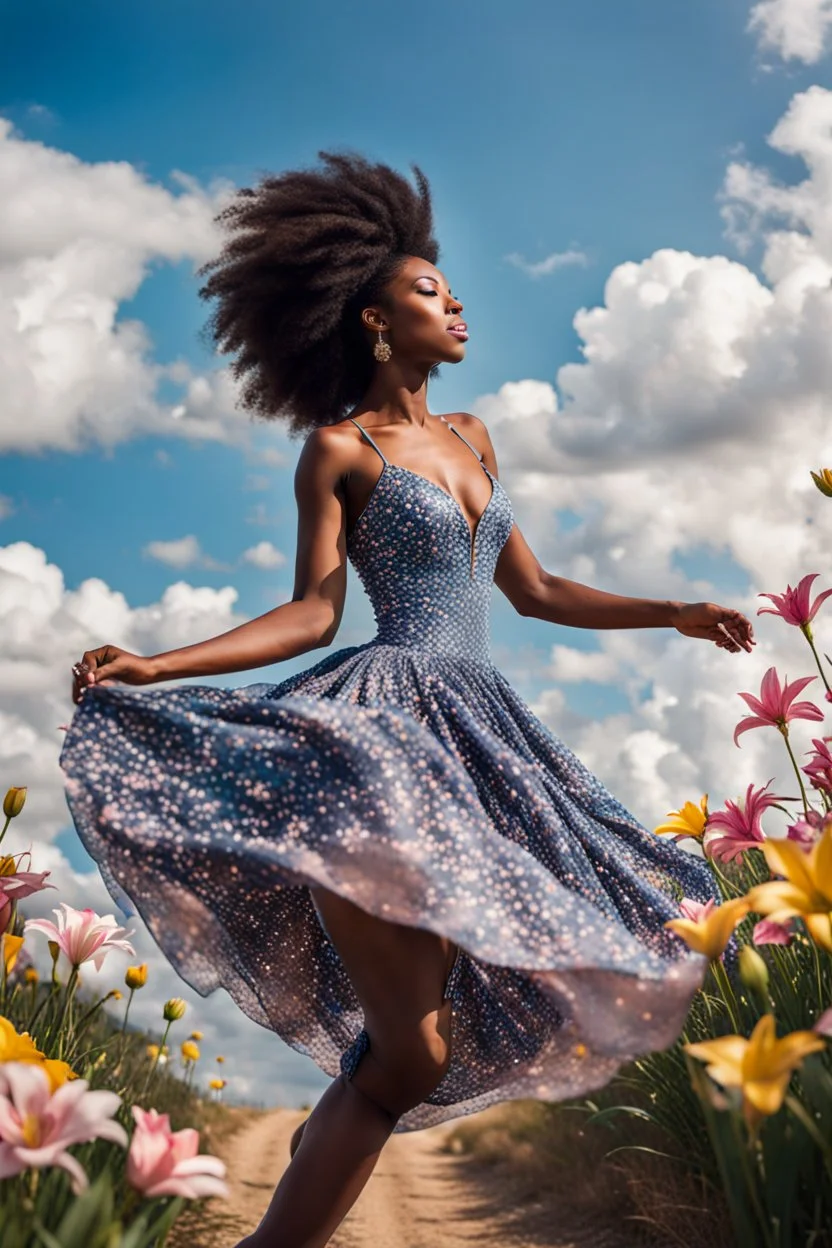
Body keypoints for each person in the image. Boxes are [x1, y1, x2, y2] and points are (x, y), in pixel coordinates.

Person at [60, 151, 755, 1248]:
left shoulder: (475, 437)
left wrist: (670, 610)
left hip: (482, 737)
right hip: (380, 739)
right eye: (431, 290)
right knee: (410, 1056)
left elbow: (532, 592)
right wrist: (157, 664)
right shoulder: (339, 448)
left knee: (412, 1050)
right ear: (376, 320)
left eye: (449, 287)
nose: (456, 302)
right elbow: (309, 617)